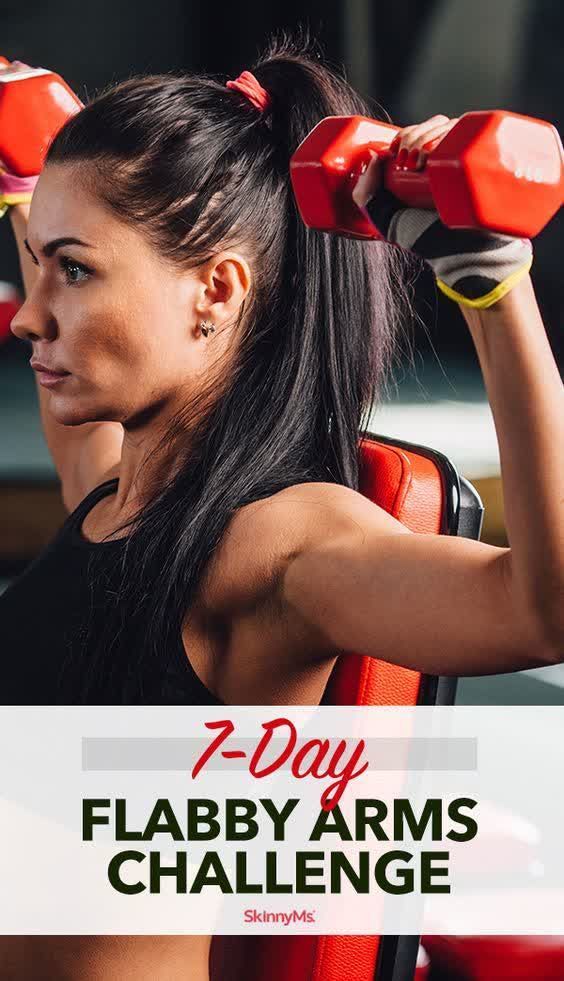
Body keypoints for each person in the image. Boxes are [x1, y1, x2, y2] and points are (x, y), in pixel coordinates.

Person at [1, 28, 562, 981]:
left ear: (216, 290)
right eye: (37, 264)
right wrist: (26, 178)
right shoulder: (115, 489)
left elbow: (542, 610)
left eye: (75, 270)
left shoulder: (280, 543)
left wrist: (494, 286)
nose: (26, 312)